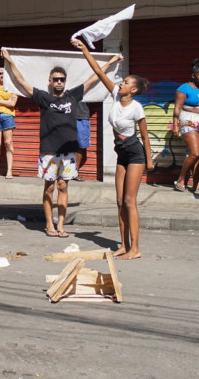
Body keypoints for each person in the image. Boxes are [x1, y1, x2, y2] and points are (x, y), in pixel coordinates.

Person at [1, 47, 94, 238]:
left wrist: (109, 63)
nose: (59, 82)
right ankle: (49, 225)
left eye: (62, 79)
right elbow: (21, 82)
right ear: (50, 81)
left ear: (65, 82)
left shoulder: (72, 96)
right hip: (49, 151)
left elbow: (94, 78)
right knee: (50, 187)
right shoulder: (44, 97)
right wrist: (10, 60)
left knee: (63, 187)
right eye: (56, 79)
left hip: (68, 151)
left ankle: (61, 225)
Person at [74, 39, 153, 259]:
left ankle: (135, 248)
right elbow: (98, 71)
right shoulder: (115, 96)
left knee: (130, 201)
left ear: (134, 89)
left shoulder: (137, 108)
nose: (121, 83)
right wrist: (85, 50)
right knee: (119, 202)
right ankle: (124, 245)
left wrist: (149, 160)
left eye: (126, 82)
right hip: (121, 153)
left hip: (135, 153)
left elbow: (145, 137)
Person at [172, 59, 199, 192]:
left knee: (198, 155)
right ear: (193, 75)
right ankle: (180, 180)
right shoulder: (183, 88)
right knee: (195, 153)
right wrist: (175, 125)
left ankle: (196, 182)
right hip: (189, 121)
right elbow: (177, 108)